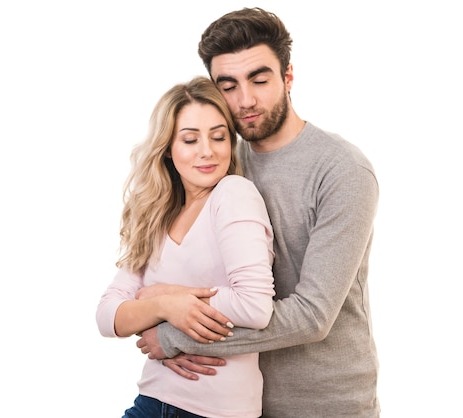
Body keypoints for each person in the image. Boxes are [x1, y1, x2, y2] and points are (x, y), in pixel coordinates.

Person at [135, 7, 381, 418]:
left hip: (324, 405)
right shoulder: (220, 162)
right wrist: (159, 303)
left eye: (260, 80)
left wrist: (175, 335)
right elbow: (186, 266)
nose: (245, 100)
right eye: (228, 86)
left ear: (288, 77)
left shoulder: (342, 170)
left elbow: (312, 316)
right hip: (234, 402)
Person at [95, 76, 276, 418]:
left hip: (214, 412)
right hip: (151, 402)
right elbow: (107, 316)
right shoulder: (157, 214)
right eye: (190, 139)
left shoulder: (232, 194)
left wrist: (162, 297)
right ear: (168, 149)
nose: (207, 150)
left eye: (219, 136)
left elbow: (254, 306)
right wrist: (166, 305)